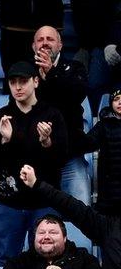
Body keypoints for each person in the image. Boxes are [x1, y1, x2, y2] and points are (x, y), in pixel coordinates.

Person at [0, 61, 68, 264]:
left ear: (36, 81)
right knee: (5, 262)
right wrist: (4, 141)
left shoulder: (52, 115)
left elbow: (62, 159)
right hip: (8, 204)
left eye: (23, 81)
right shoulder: (1, 116)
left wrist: (47, 142)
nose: (18, 87)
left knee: (47, 262)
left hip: (44, 202)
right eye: (13, 82)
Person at [61, 0, 121, 113]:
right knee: (90, 85)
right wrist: (84, 49)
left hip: (114, 44)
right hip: (97, 47)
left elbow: (118, 10)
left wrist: (114, 42)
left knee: (98, 83)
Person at [32, 26, 92, 206]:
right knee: (41, 225)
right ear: (33, 46)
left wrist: (52, 73)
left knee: (83, 217)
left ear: (60, 44)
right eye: (40, 39)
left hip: (70, 159)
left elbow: (76, 95)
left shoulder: (75, 68)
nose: (45, 43)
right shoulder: (25, 72)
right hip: (38, 161)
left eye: (50, 39)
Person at [83, 88, 121, 214]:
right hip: (109, 191)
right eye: (116, 99)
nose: (120, 102)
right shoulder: (103, 125)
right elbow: (87, 143)